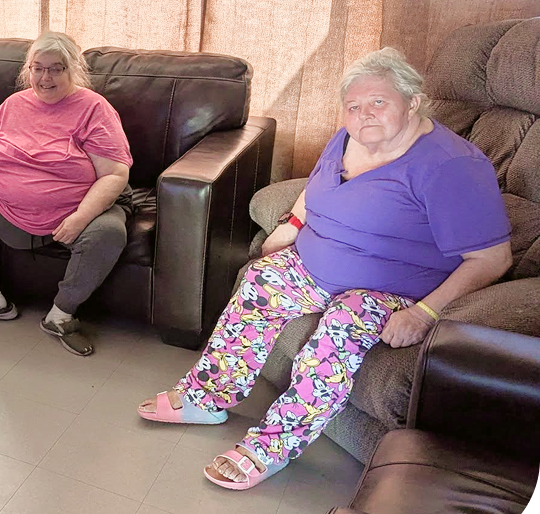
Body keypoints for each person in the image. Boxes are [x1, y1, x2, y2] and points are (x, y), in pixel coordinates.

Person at [137, 47, 512, 489]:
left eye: (378, 102)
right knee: (261, 279)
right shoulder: (347, 137)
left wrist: (424, 313)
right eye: (352, 105)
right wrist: (292, 225)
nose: (363, 114)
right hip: (315, 266)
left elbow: (492, 258)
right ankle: (208, 397)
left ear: (413, 102)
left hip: (391, 289)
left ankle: (273, 445)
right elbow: (315, 188)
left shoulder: (453, 167)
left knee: (342, 325)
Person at [0, 32, 133, 357]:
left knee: (109, 232)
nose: (45, 77)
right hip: (3, 207)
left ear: (73, 69)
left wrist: (80, 217)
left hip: (73, 211)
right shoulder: (13, 104)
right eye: (37, 68)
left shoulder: (94, 109)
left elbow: (114, 174)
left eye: (56, 69)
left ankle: (61, 315)